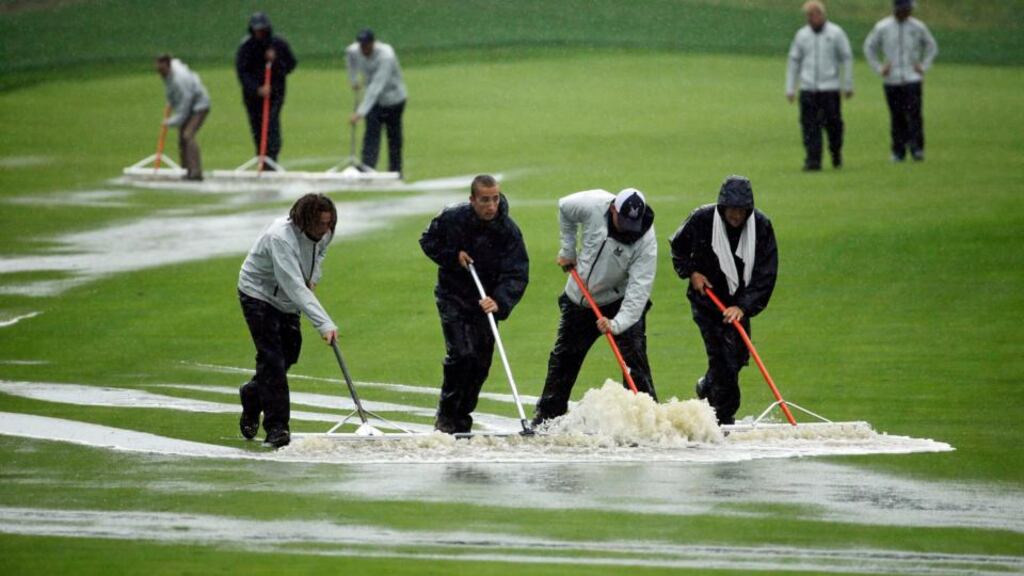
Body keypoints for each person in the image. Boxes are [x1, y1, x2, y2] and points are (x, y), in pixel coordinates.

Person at [532, 188, 658, 426]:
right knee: (564, 359)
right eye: (622, 221)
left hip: (619, 301)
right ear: (613, 209)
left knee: (634, 362)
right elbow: (564, 208)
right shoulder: (592, 205)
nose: (627, 230)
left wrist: (616, 323)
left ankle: (644, 422)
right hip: (579, 298)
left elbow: (639, 291)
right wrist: (567, 250)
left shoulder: (646, 241)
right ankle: (546, 419)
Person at [419, 175, 529, 434]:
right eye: (484, 200)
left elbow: (517, 273)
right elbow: (428, 241)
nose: (491, 206)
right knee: (461, 354)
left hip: (486, 303)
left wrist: (499, 301)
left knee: (480, 363)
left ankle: (462, 417)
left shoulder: (509, 231)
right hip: (453, 296)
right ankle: (446, 416)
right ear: (472, 200)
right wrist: (452, 256)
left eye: (495, 199)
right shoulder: (451, 218)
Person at [668, 176, 778, 425]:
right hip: (707, 300)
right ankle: (723, 417)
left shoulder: (761, 227)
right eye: (731, 209)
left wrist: (742, 306)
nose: (736, 216)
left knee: (737, 357)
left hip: (739, 303)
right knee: (723, 358)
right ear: (722, 206)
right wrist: (692, 273)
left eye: (741, 211)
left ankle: (706, 386)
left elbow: (765, 274)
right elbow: (678, 247)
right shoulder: (702, 219)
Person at [237, 194, 339, 448]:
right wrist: (324, 324)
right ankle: (277, 427)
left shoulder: (325, 232)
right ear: (304, 221)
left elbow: (319, 255)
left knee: (290, 354)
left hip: (287, 299)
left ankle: (252, 393)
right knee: (272, 360)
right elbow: (293, 284)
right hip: (259, 294)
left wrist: (313, 276)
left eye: (329, 223)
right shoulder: (280, 238)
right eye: (321, 224)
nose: (326, 229)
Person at [864, 0, 938, 162]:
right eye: (905, 9)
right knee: (897, 116)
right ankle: (898, 151)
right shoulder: (882, 27)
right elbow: (869, 47)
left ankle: (917, 149)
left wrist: (923, 66)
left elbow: (931, 46)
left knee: (915, 115)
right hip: (892, 79)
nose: (908, 12)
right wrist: (879, 68)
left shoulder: (918, 27)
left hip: (912, 78)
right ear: (897, 9)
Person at [785, 1, 854, 171]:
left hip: (829, 88)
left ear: (822, 14)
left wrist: (848, 84)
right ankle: (813, 160)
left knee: (833, 125)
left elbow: (846, 57)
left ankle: (835, 153)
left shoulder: (836, 33)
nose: (811, 19)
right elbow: (794, 61)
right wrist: (790, 87)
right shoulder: (802, 35)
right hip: (808, 88)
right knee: (809, 126)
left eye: (814, 15)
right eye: (808, 15)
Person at [235, 12, 297, 167]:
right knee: (257, 127)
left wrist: (275, 61)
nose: (259, 33)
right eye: (256, 30)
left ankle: (271, 159)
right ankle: (262, 159)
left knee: (271, 125)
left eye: (262, 30)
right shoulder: (246, 47)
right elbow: (242, 73)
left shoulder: (278, 44)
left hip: (275, 93)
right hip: (253, 97)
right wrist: (257, 89)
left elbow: (291, 65)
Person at [346, 29, 408, 176]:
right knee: (371, 133)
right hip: (374, 101)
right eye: (361, 45)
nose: (363, 49)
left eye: (366, 45)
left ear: (373, 43)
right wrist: (353, 79)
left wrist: (360, 112)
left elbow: (377, 85)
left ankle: (395, 170)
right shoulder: (354, 50)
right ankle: (367, 167)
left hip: (394, 99)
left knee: (394, 136)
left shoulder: (386, 56)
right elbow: (350, 59)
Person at [155, 54, 210, 181]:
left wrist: (173, 121)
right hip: (190, 104)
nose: (160, 73)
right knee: (181, 138)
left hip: (200, 105)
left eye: (162, 70)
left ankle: (196, 172)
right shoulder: (169, 74)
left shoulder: (179, 80)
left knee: (188, 135)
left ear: (168, 66)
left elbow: (185, 104)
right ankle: (186, 170)